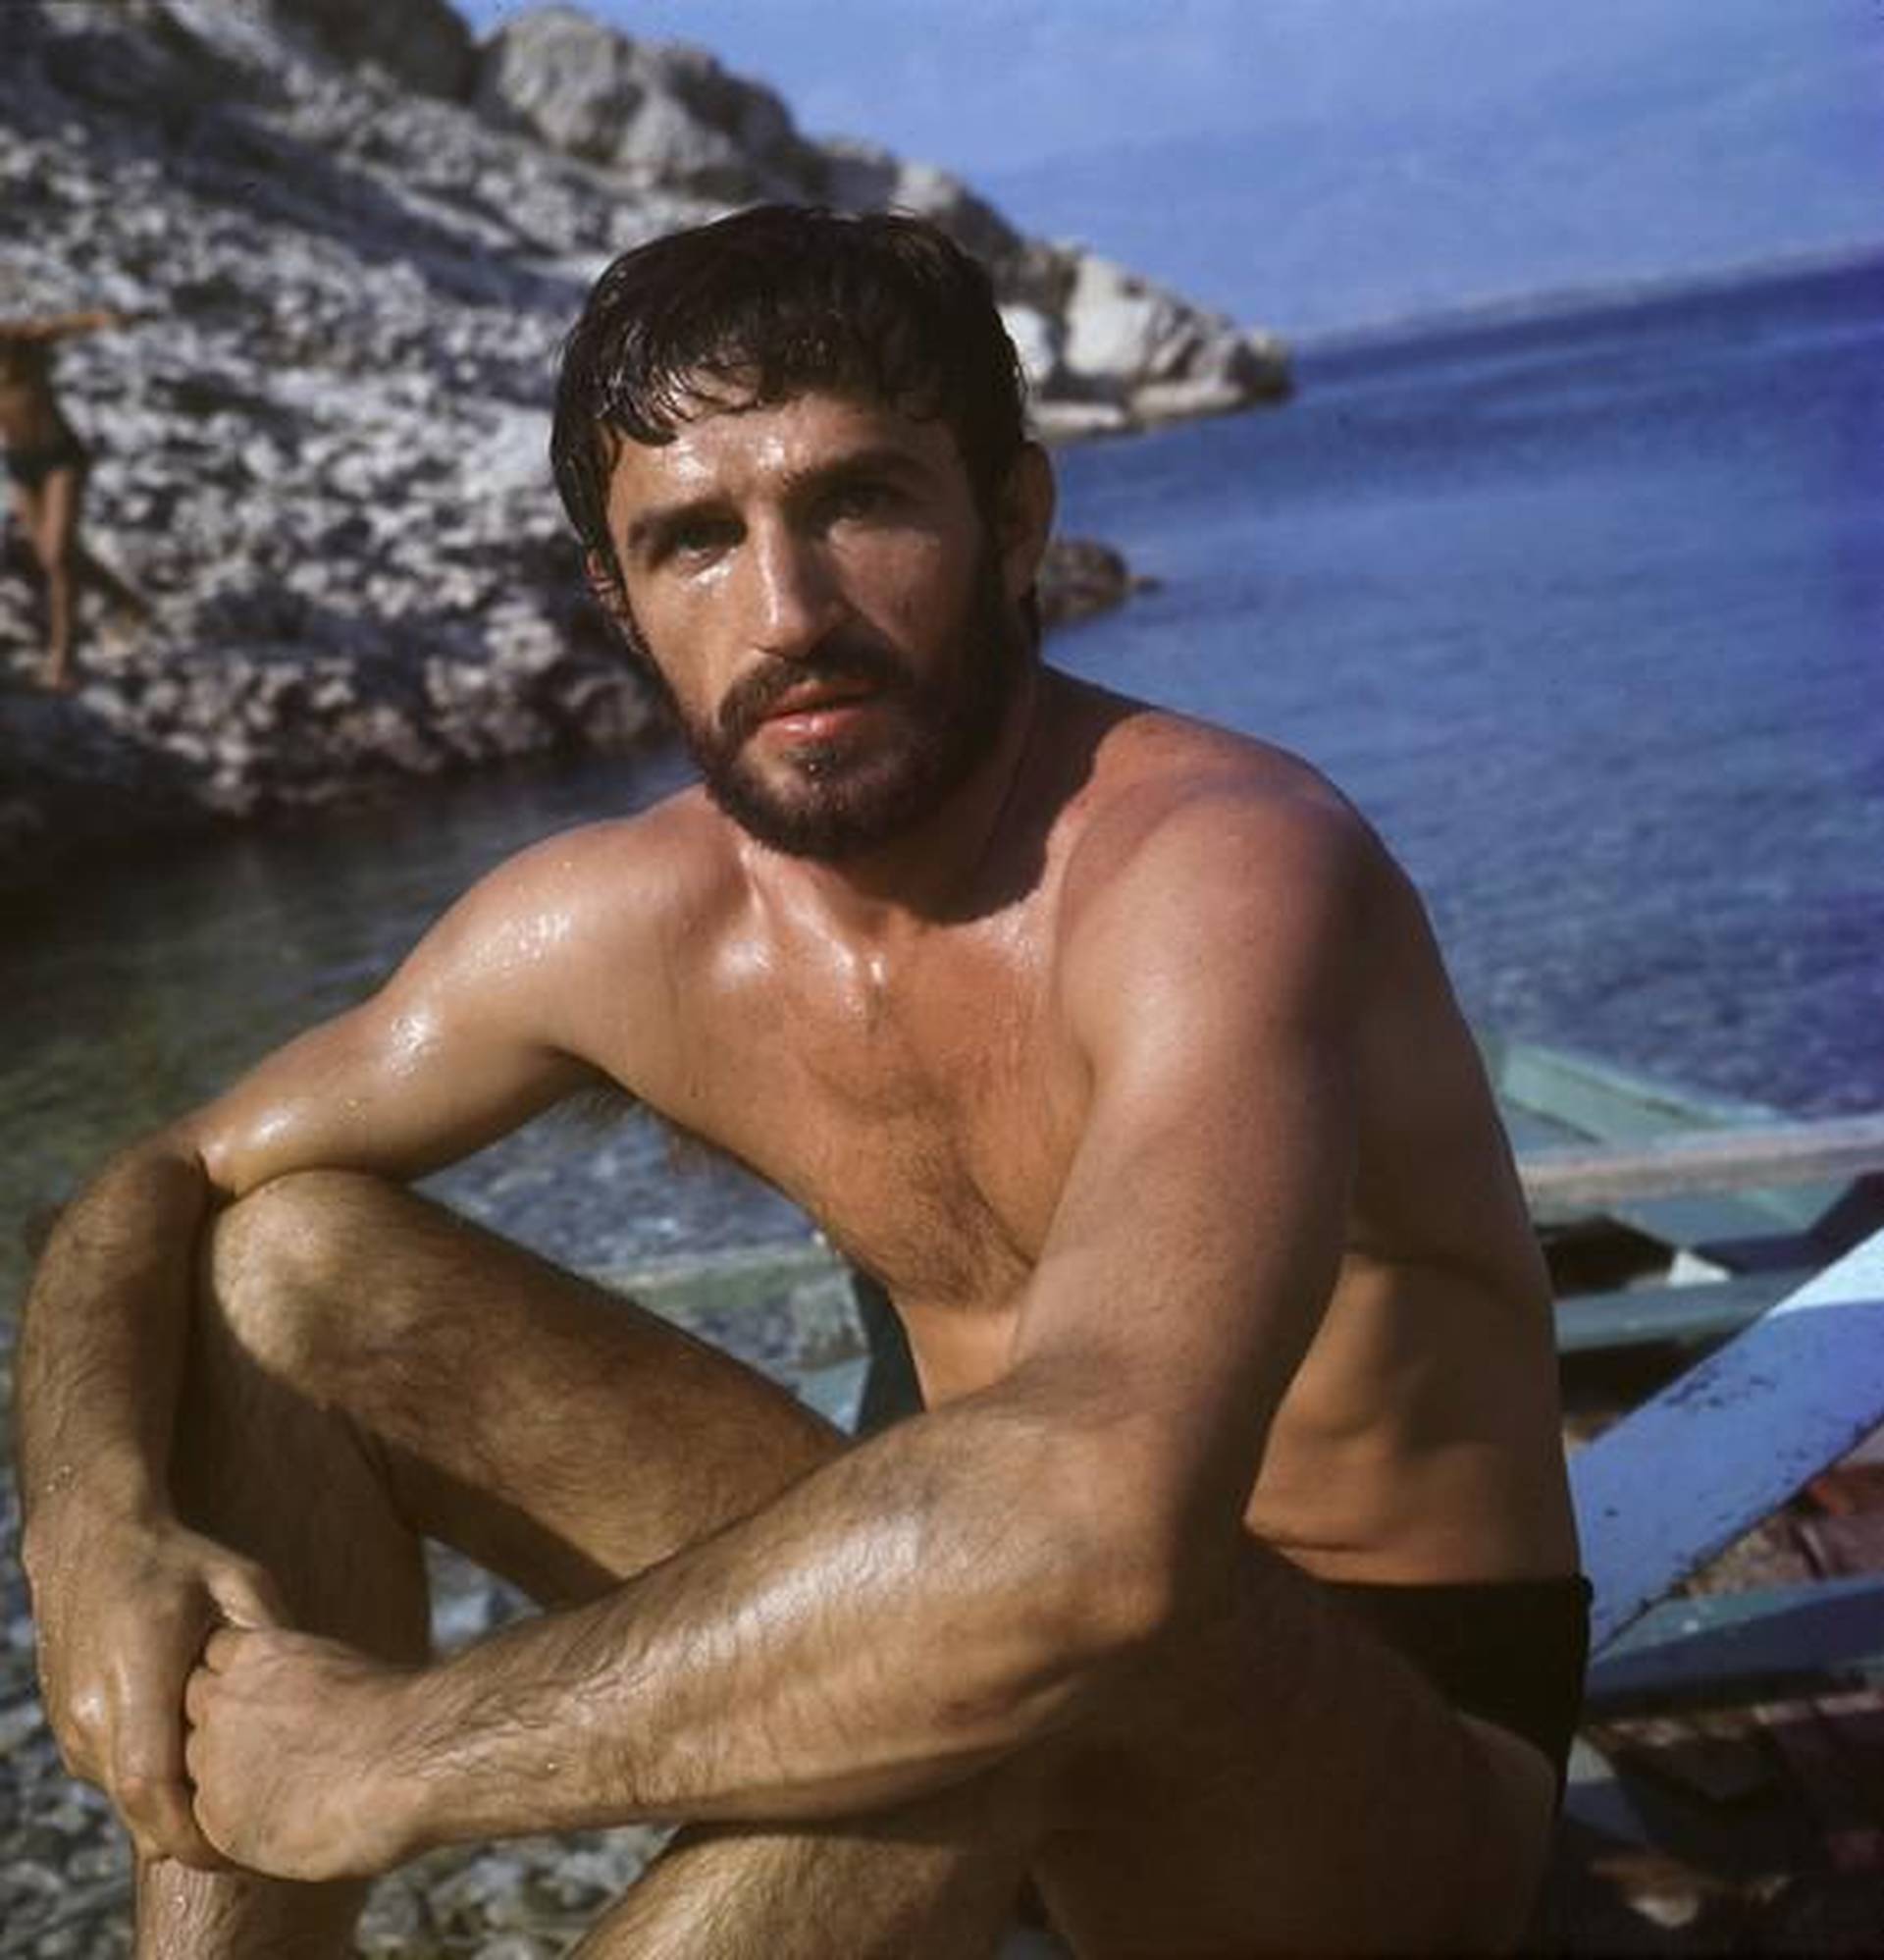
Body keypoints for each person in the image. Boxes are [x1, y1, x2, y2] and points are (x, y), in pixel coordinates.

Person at [16, 206, 1585, 1958]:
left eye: (858, 502)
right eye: (696, 539)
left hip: (1365, 1767)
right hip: (991, 1600)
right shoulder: (625, 924)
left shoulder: (1215, 871)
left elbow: (1101, 1539)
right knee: (279, 1266)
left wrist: (401, 1754)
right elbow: (153, 1176)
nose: (789, 611)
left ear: (1015, 522)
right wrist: (93, 1542)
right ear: (620, 603)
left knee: (1003, 1627)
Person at [0, 305, 148, 691]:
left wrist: (108, 320)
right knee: (52, 554)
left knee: (57, 556)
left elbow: (74, 323)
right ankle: (129, 603)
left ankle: (63, 659)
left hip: (60, 458)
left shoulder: (24, 339)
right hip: (20, 465)